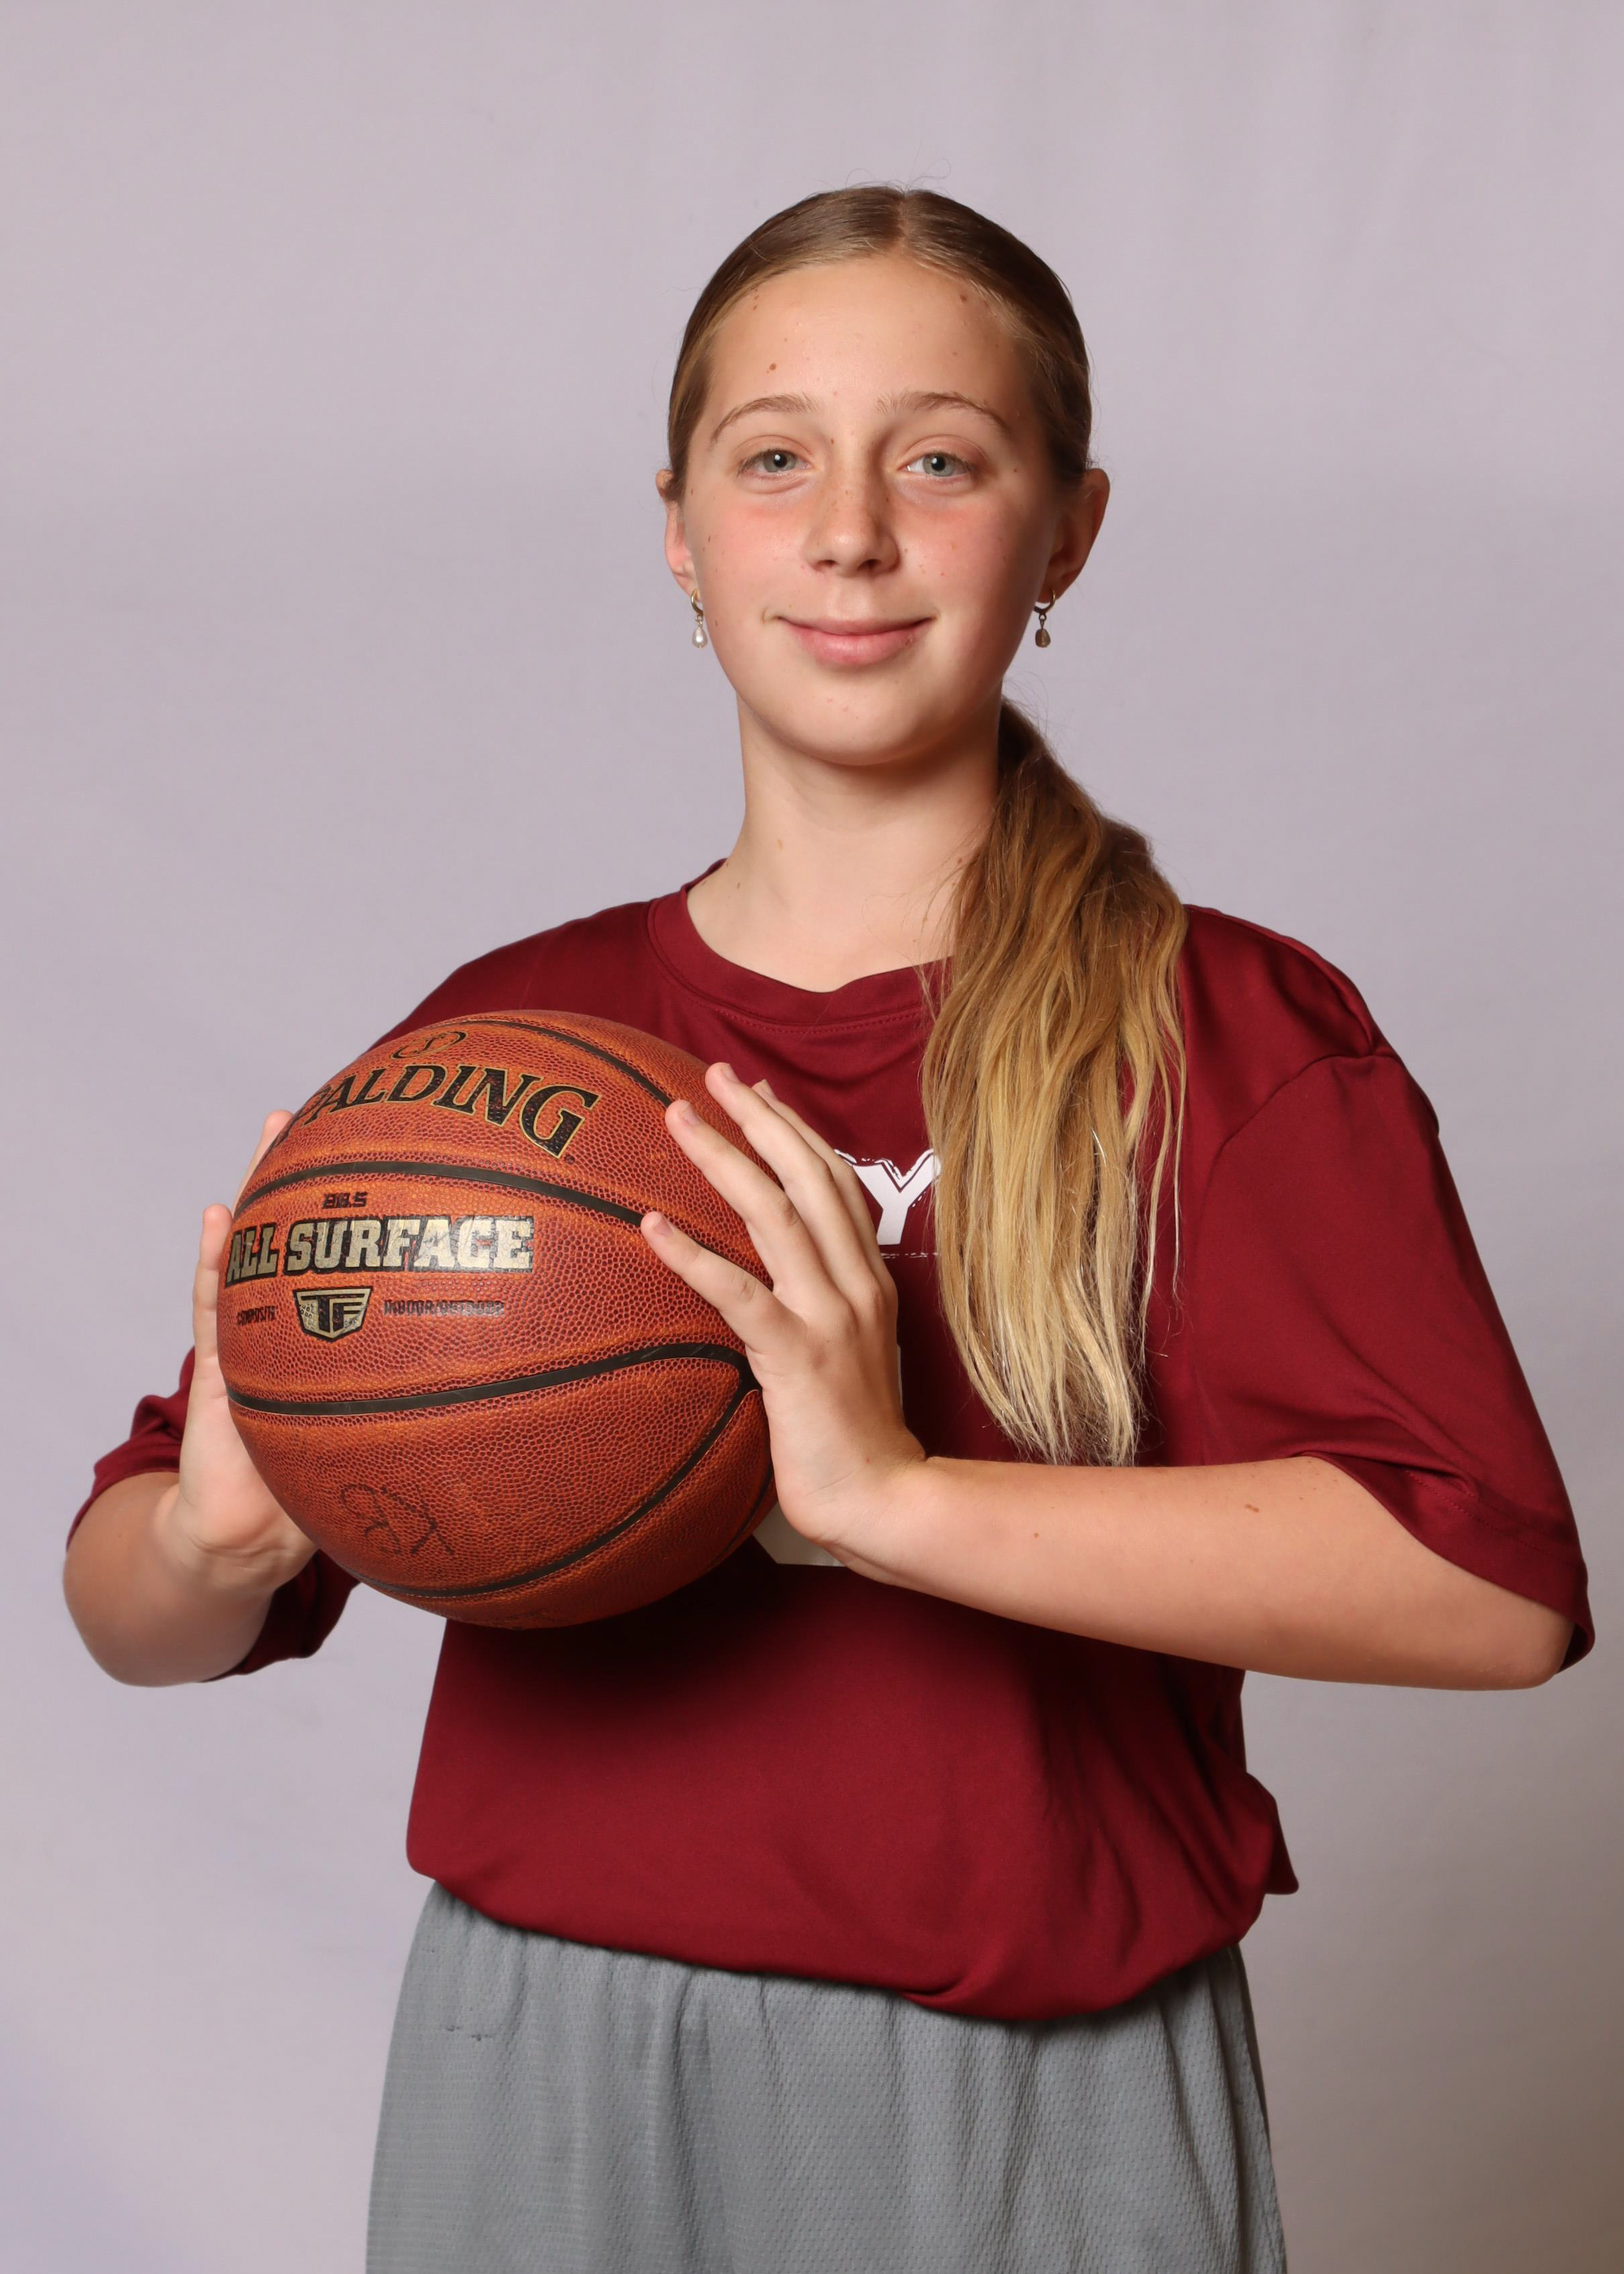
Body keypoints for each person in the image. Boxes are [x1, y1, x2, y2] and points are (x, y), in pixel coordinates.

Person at [63, 186, 1591, 2274]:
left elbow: (1487, 1591)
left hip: (1036, 2076)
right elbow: (132, 1616)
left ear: (1066, 532)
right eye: (773, 456)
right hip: (546, 2047)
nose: (851, 531)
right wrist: (217, 1539)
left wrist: (889, 1496)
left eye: (940, 459)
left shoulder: (1223, 1033)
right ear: (681, 533)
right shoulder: (510, 1044)